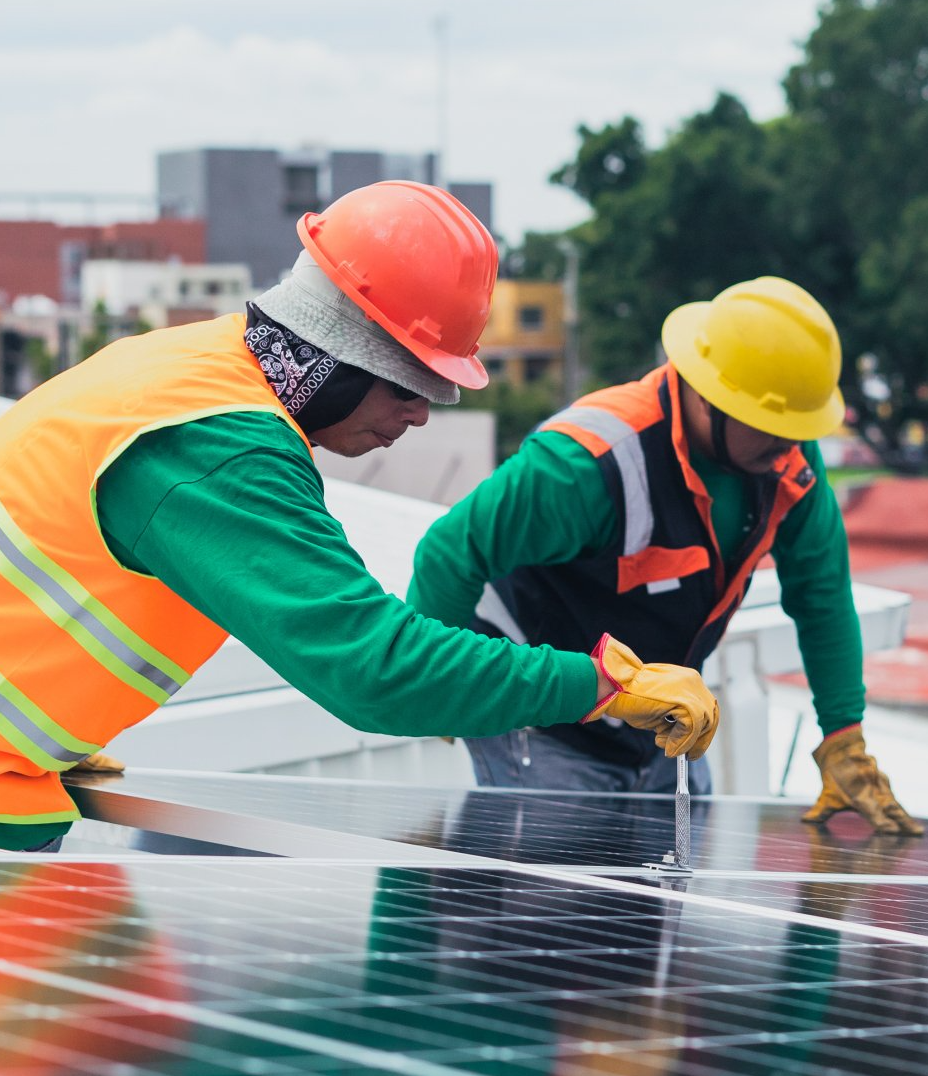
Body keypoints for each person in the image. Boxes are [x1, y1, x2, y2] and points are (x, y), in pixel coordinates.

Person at [0, 181, 719, 853]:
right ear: (342, 352)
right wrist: (603, 686)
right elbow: (375, 669)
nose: (420, 414)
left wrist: (54, 723)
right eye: (412, 383)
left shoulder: (199, 367)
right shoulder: (220, 448)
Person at [407, 276, 923, 837]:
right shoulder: (586, 463)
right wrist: (441, 691)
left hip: (663, 723)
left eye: (800, 430)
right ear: (708, 396)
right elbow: (449, 553)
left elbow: (822, 598)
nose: (792, 446)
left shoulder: (787, 468)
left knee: (659, 903)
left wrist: (843, 736)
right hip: (545, 724)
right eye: (775, 427)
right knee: (559, 905)